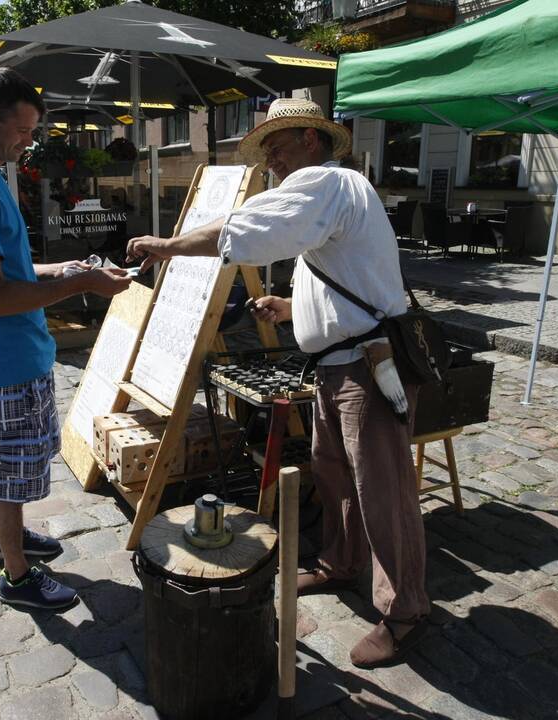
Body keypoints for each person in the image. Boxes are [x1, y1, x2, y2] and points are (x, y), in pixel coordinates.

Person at [126, 98, 430, 668]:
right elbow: (347, 275)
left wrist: (167, 246)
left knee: (383, 493)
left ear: (310, 141)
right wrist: (293, 308)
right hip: (338, 365)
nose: (270, 161)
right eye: (265, 151)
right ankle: (342, 562)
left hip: (367, 365)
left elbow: (248, 229)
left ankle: (406, 609)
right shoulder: (327, 196)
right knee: (335, 475)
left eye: (277, 146)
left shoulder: (327, 183)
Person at [0, 67, 131, 611]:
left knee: (23, 464)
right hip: (11, 357)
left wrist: (60, 267)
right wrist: (81, 283)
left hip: (21, 353)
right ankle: (16, 576)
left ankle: (8, 539)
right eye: (22, 130)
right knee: (12, 473)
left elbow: (9, 270)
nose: (29, 140)